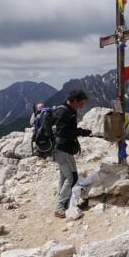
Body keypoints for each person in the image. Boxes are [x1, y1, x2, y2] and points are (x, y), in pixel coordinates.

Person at [51, 89, 92, 218]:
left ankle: (63, 201)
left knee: (64, 177)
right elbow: (62, 132)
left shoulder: (68, 110)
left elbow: (67, 130)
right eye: (81, 103)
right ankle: (59, 207)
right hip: (62, 149)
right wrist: (80, 132)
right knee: (72, 178)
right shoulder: (64, 112)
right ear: (74, 100)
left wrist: (80, 131)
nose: (82, 106)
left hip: (63, 149)